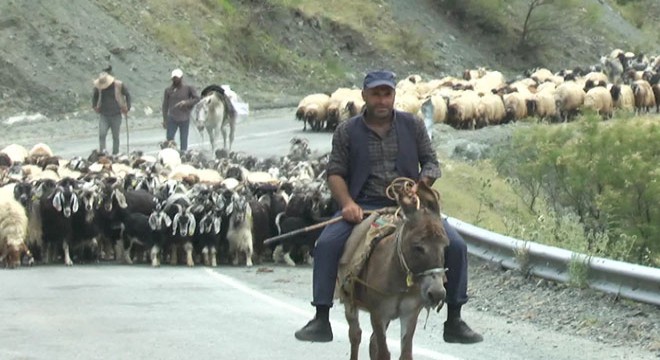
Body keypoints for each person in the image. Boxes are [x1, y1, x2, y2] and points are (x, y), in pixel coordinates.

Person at [294, 70, 483, 344]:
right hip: (364, 204)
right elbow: (335, 173)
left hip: (411, 206)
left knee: (454, 245)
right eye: (376, 94)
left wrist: (420, 184)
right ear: (364, 96)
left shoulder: (412, 125)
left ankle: (454, 317)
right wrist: (347, 204)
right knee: (326, 244)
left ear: (394, 95)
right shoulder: (347, 131)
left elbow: (431, 162)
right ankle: (321, 316)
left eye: (387, 94)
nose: (382, 100)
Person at [92, 70, 131, 155]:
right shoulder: (99, 87)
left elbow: (127, 94)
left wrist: (128, 107)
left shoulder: (118, 85)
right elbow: (95, 96)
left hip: (116, 114)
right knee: (102, 134)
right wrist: (94, 106)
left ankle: (115, 153)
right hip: (104, 115)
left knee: (115, 136)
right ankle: (103, 153)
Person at [162, 68, 199, 151]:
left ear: (181, 78)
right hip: (172, 118)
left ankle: (183, 155)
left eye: (177, 78)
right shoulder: (168, 90)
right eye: (174, 78)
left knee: (184, 139)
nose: (175, 80)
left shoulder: (188, 88)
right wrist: (164, 119)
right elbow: (165, 105)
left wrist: (186, 102)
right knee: (170, 139)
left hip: (184, 118)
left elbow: (196, 99)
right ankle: (170, 154)